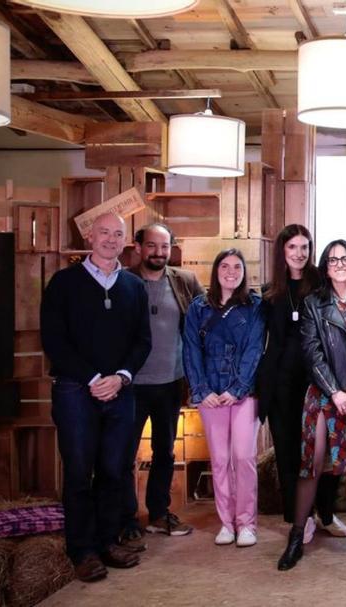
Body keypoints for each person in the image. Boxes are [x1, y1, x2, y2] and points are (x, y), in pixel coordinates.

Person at [41, 212, 151, 582]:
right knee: (78, 473)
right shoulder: (63, 283)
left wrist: (120, 377)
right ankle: (82, 550)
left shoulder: (134, 287)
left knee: (113, 471)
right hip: (75, 390)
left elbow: (143, 342)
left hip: (120, 392)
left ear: (125, 242)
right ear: (90, 237)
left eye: (117, 234)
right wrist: (92, 378)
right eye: (104, 232)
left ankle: (107, 541)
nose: (110, 239)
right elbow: (54, 341)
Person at [277, 240, 346, 570]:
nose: (339, 263)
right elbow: (311, 353)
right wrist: (334, 393)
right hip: (326, 393)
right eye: (332, 259)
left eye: (344, 258)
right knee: (312, 462)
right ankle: (296, 536)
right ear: (325, 268)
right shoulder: (314, 302)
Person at [258, 225, 346, 544]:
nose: (299, 253)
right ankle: (298, 518)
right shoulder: (270, 292)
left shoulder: (322, 286)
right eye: (292, 247)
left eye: (305, 247)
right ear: (282, 251)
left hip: (318, 381)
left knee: (322, 455)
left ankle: (325, 513)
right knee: (287, 454)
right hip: (281, 385)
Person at [122, 223, 201, 542]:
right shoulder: (123, 281)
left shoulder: (185, 281)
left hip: (171, 381)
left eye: (165, 247)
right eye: (152, 246)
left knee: (164, 452)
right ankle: (125, 517)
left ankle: (157, 513)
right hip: (130, 384)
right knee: (123, 454)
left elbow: (204, 322)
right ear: (138, 247)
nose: (158, 253)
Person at [182, 249, 265, 548]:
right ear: (216, 270)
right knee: (219, 459)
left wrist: (237, 388)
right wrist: (203, 391)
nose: (231, 272)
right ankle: (226, 523)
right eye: (225, 266)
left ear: (244, 272)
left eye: (237, 267)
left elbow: (255, 350)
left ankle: (246, 523)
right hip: (210, 396)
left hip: (244, 394)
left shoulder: (254, 306)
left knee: (243, 457)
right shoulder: (198, 309)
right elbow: (190, 351)